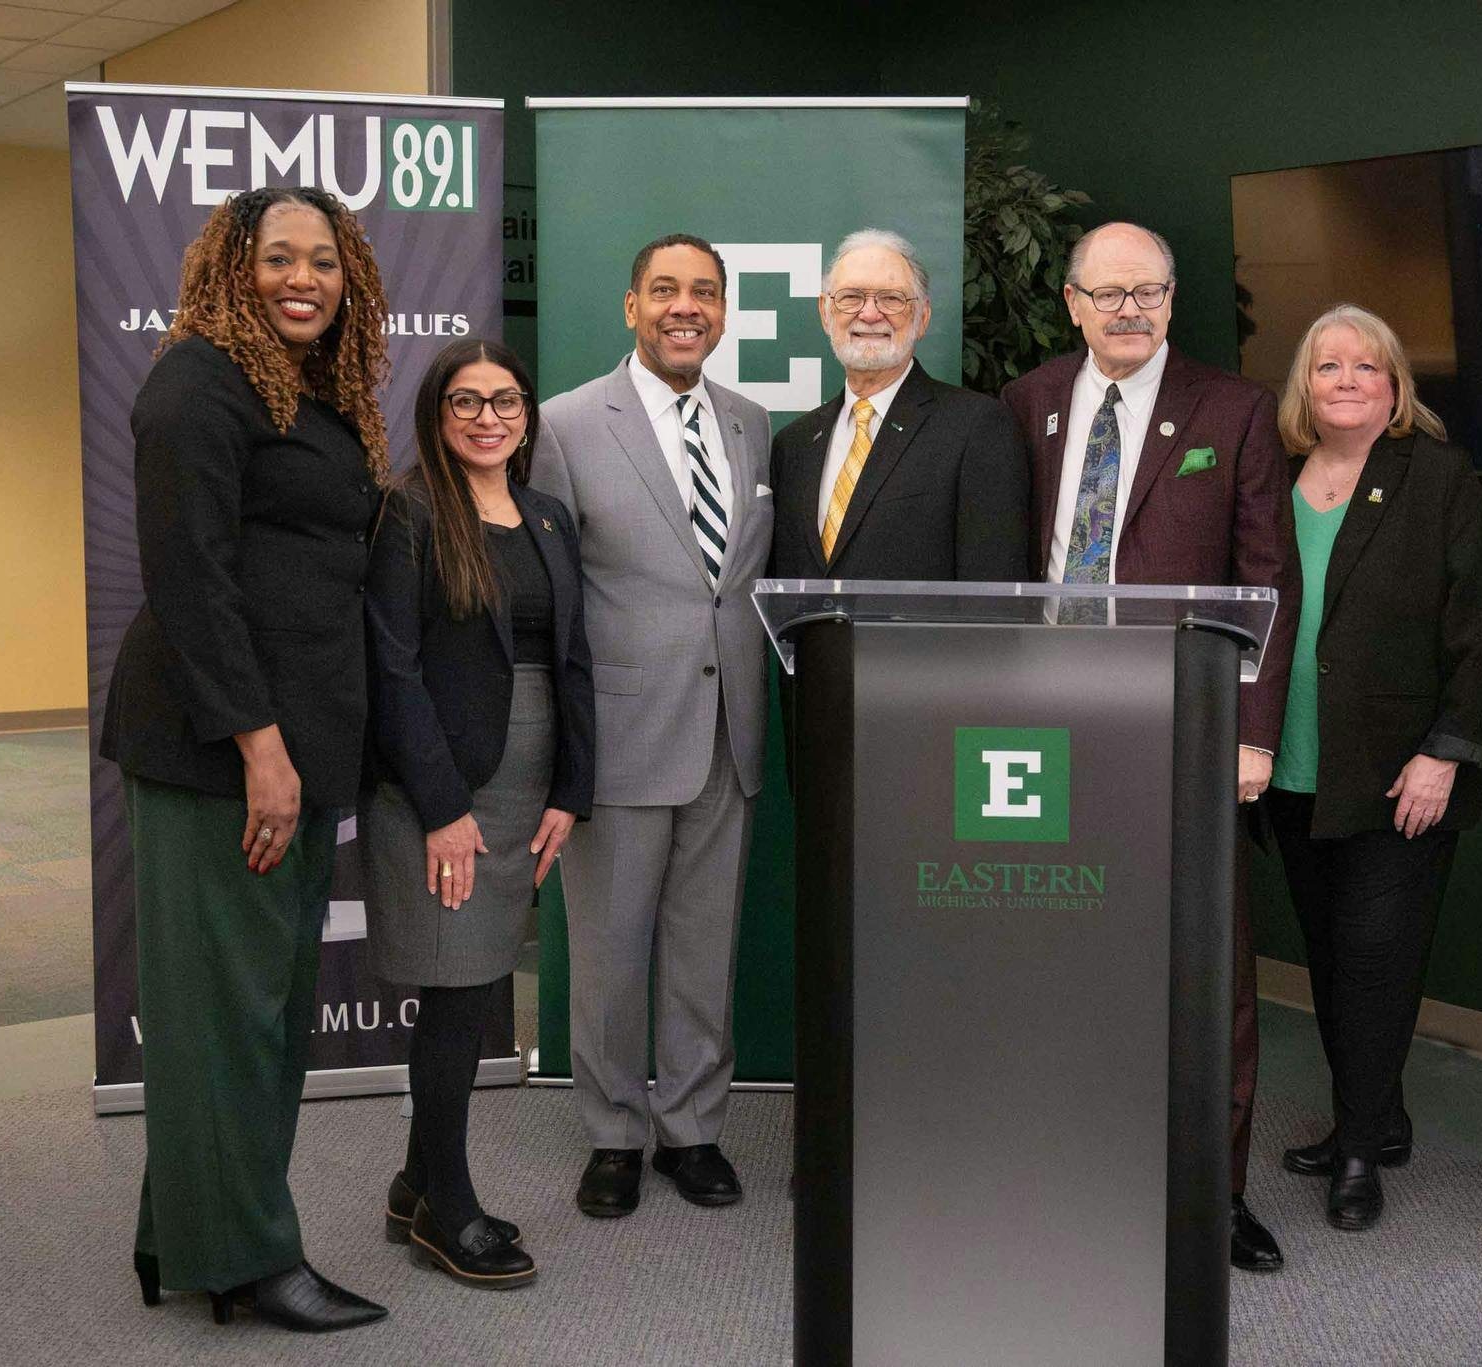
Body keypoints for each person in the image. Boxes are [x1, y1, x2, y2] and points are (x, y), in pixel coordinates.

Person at [103, 185, 392, 1331]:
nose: (303, 278)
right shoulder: (195, 384)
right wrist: (259, 745)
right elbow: (190, 579)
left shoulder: (308, 390)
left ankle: (181, 1233)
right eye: (279, 257)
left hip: (295, 739)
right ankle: (249, 1259)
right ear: (233, 266)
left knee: (253, 1009)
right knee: (231, 1013)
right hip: (219, 746)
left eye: (324, 260)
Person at [1001, 221, 1302, 1271]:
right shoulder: (1030, 401)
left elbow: (1268, 579)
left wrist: (1252, 734)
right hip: (1052, 727)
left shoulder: (1233, 407)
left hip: (1188, 731)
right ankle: (1082, 1169)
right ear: (1071, 304)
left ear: (1172, 302)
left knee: (1205, 968)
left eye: (1148, 293)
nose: (1128, 311)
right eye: (1107, 293)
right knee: (1067, 953)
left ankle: (1212, 1195)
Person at [533, 233, 774, 1217]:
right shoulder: (563, 423)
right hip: (619, 732)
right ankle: (611, 1133)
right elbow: (546, 595)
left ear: (722, 312)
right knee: (608, 946)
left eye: (704, 292)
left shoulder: (755, 425)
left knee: (701, 944)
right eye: (666, 290)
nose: (686, 306)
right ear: (631, 306)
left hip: (732, 726)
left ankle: (691, 1127)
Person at [1263, 305, 1482, 1231]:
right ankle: (1378, 1116)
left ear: (1395, 384)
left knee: (1376, 963)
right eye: (1326, 365)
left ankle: (1360, 1149)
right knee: (1330, 961)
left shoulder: (1436, 477)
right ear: (1304, 387)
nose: (1345, 380)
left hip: (1400, 777)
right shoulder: (1276, 479)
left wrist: (1445, 753)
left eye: (1365, 366)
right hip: (1292, 770)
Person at [361, 338, 594, 1288]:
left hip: (530, 777)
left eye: (505, 400)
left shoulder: (548, 516)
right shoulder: (408, 512)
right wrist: (443, 807)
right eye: (466, 401)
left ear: (528, 413)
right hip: (441, 788)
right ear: (437, 414)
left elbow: (572, 657)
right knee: (459, 991)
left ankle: (416, 1179)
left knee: (483, 977)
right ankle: (447, 1206)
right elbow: (392, 666)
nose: (488, 417)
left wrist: (573, 789)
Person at [768, 228, 1029, 580]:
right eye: (851, 297)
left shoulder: (976, 428)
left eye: (892, 299)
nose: (870, 314)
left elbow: (992, 592)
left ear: (922, 318)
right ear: (825, 312)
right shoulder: (794, 444)